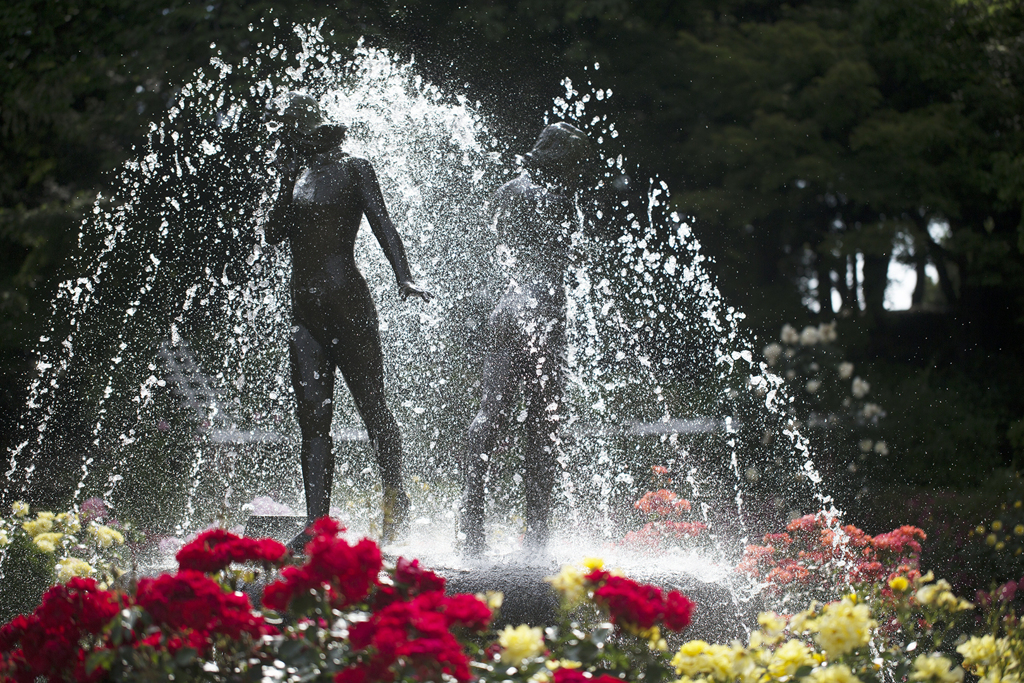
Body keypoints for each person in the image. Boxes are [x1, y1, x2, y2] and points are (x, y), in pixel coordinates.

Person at [265, 93, 432, 547]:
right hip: (305, 314)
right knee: (312, 419)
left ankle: (396, 498)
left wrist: (404, 277)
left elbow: (384, 225)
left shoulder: (355, 168)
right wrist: (284, 182)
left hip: (349, 306)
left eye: (288, 131)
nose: (283, 139)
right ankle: (317, 524)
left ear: (308, 131)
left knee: (372, 407)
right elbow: (273, 234)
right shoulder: (293, 176)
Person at [460, 122, 593, 556]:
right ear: (559, 159)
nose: (576, 173)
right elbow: (568, 258)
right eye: (574, 164)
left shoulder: (507, 191)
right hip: (543, 313)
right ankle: (536, 534)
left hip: (507, 308)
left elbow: (495, 249)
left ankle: (470, 524)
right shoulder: (558, 198)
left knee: (489, 414)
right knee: (542, 426)